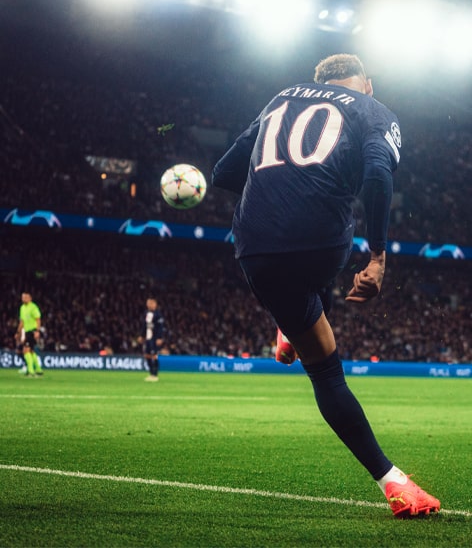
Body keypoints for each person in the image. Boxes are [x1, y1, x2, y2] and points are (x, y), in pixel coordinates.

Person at [212, 53, 440, 518]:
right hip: (320, 244)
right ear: (367, 84)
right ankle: (394, 482)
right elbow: (377, 175)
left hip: (253, 246)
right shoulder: (372, 109)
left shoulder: (280, 98)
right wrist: (378, 256)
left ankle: (290, 325)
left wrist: (277, 196)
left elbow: (223, 173)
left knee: (305, 317)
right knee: (328, 372)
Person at [15, 292, 44, 377]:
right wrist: (18, 332)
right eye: (23, 297)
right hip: (27, 332)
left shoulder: (33, 307)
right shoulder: (22, 308)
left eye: (26, 297)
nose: (23, 299)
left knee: (26, 350)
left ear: (30, 298)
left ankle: (31, 371)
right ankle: (38, 370)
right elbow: (22, 322)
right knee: (31, 351)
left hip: (32, 331)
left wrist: (37, 331)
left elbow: (38, 319)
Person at [138, 298, 165, 382]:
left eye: (151, 303)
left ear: (155, 304)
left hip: (154, 338)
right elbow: (144, 325)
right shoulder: (146, 313)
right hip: (148, 338)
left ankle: (155, 375)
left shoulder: (158, 314)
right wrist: (142, 336)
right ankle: (151, 373)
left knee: (154, 356)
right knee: (147, 355)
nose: (149, 305)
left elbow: (161, 327)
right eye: (148, 303)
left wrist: (159, 337)